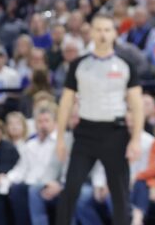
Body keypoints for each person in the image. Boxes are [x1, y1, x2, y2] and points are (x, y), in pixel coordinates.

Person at [55, 15, 144, 225]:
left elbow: (137, 105)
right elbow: (66, 104)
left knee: (119, 192)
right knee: (71, 188)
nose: (103, 34)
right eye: (98, 30)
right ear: (91, 33)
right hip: (85, 132)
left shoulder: (126, 65)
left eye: (107, 30)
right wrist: (60, 138)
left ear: (114, 33)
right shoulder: (78, 64)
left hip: (115, 133)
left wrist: (136, 139)